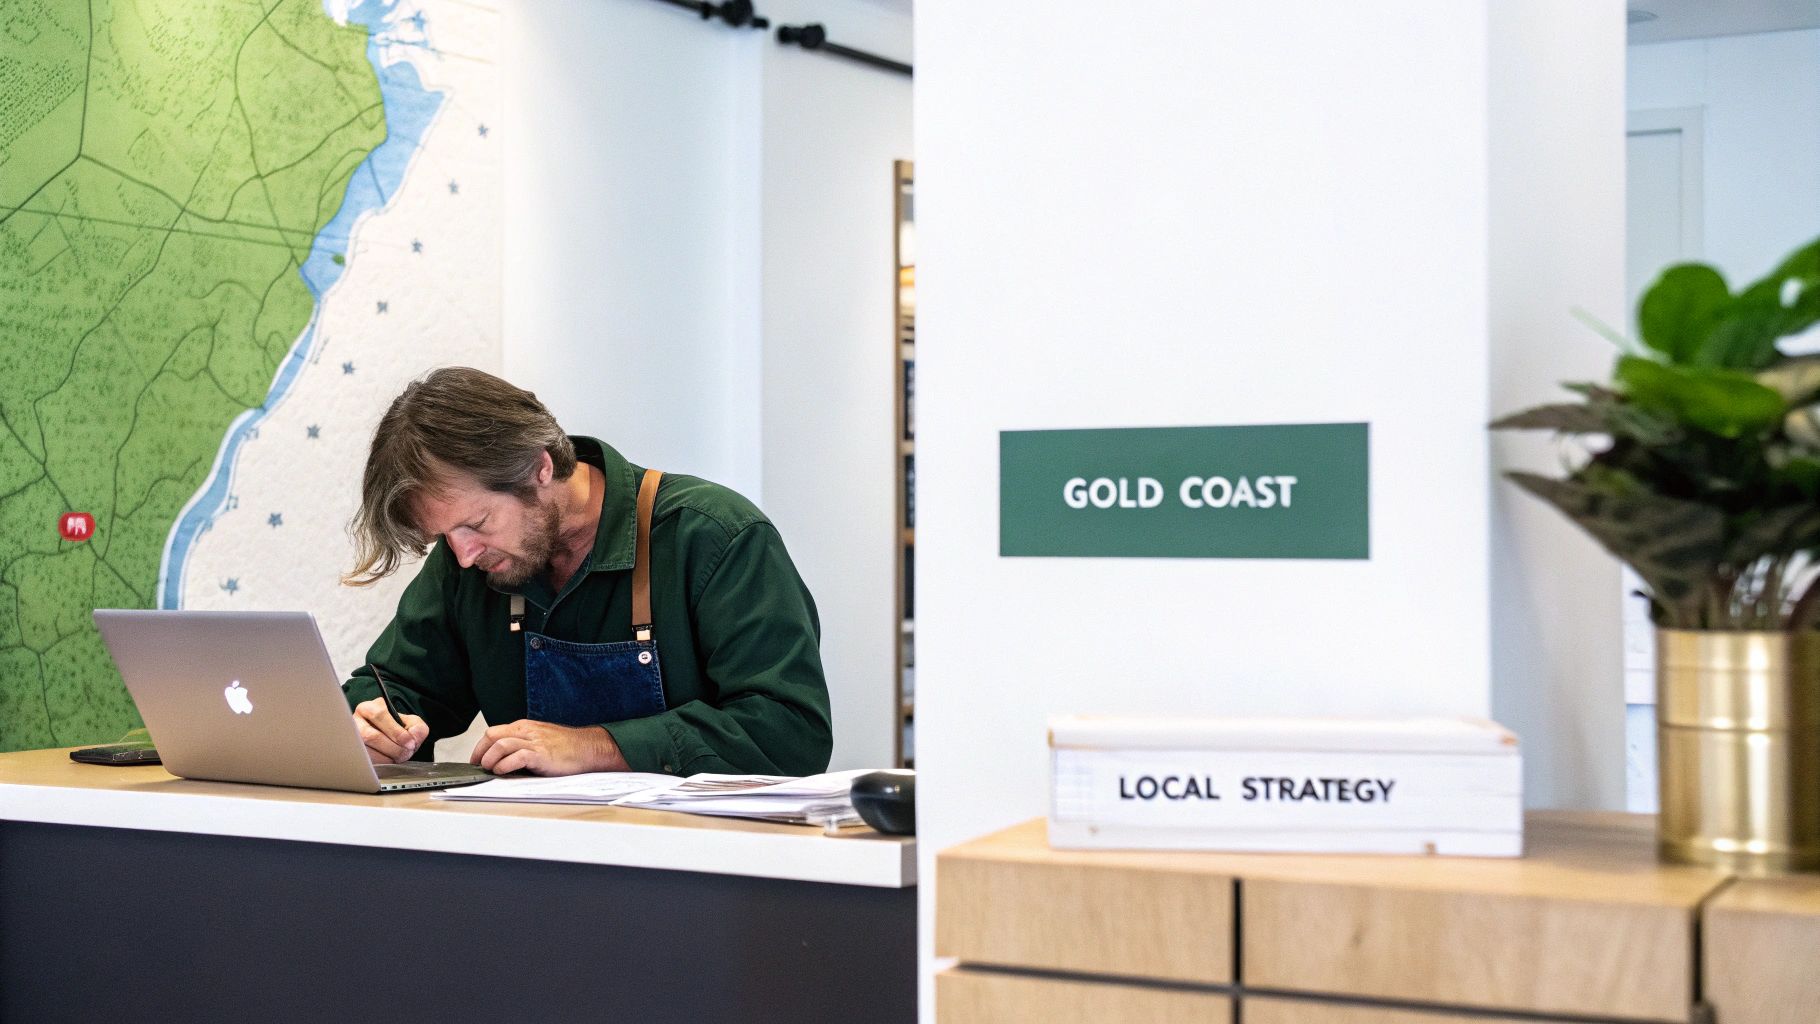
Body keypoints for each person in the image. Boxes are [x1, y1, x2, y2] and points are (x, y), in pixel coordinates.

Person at [340, 367, 832, 778]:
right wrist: (373, 725)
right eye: (444, 536)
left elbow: (788, 731)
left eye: (477, 524)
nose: (464, 556)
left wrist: (597, 747)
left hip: (697, 866)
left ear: (540, 467)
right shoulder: (470, 559)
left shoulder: (712, 536)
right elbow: (395, 684)